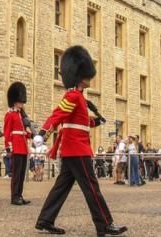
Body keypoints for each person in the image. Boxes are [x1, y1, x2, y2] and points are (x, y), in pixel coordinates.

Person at [35, 45, 126, 236]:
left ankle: (45, 220)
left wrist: (96, 121)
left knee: (61, 187)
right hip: (77, 150)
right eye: (86, 74)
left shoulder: (79, 98)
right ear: (79, 75)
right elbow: (58, 115)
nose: (89, 77)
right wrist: (43, 133)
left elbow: (79, 123)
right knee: (92, 188)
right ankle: (105, 225)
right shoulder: (73, 96)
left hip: (72, 149)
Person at [4, 82, 33, 206]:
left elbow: (23, 132)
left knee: (21, 174)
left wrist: (30, 133)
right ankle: (14, 197)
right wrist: (9, 148)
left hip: (23, 147)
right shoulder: (10, 115)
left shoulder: (22, 116)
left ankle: (19, 195)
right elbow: (7, 133)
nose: (22, 103)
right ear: (15, 101)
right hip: (16, 147)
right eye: (20, 101)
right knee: (16, 174)